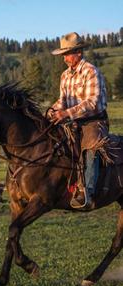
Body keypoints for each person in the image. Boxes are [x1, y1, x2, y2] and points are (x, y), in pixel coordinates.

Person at [48, 32, 109, 209]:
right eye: (63, 55)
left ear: (79, 53)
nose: (65, 58)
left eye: (67, 54)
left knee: (91, 147)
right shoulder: (65, 76)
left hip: (93, 121)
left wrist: (66, 113)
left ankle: (87, 192)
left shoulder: (91, 72)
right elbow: (63, 101)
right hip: (73, 121)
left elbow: (93, 103)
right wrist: (51, 112)